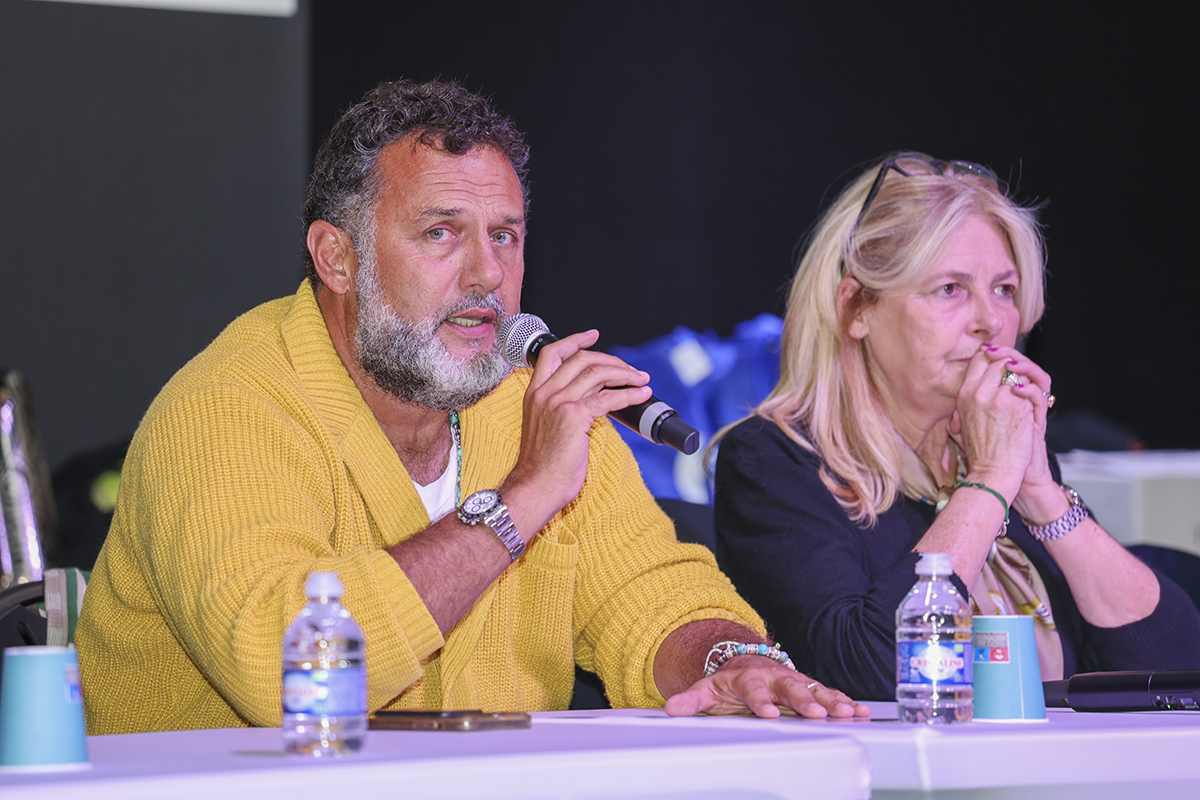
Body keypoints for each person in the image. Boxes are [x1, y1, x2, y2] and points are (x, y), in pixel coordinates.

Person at [75, 79, 868, 734]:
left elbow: (654, 598)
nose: (487, 274)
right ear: (337, 258)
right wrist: (520, 499)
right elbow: (286, 669)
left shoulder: (530, 401)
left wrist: (730, 664)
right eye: (441, 234)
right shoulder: (226, 407)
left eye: (506, 236)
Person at [713, 152, 1200, 702]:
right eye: (950, 289)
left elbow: (1179, 669)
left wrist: (1041, 494)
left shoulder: (1005, 453)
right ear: (856, 309)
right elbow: (872, 673)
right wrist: (988, 482)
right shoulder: (774, 463)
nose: (990, 321)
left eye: (1004, 289)